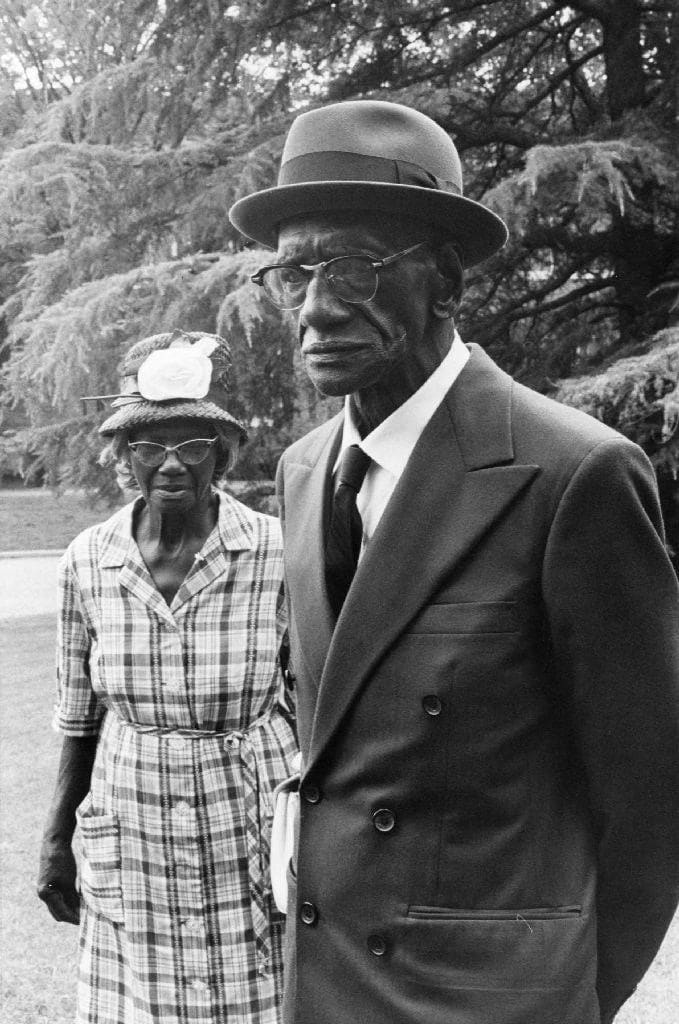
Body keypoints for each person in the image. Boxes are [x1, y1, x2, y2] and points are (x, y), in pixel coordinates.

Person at [228, 100, 679, 1024]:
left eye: (352, 267)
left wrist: (572, 1000)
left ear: (443, 281)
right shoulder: (303, 471)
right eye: (294, 273)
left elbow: (653, 795)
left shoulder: (573, 473)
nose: (315, 308)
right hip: (326, 988)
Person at [37, 330, 298, 1024]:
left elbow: (317, 700)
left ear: (222, 452)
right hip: (135, 820)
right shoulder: (88, 560)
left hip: (248, 816)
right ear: (124, 456)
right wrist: (56, 840)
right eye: (150, 446)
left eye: (193, 445)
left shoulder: (276, 550)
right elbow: (78, 717)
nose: (172, 464)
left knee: (264, 1000)